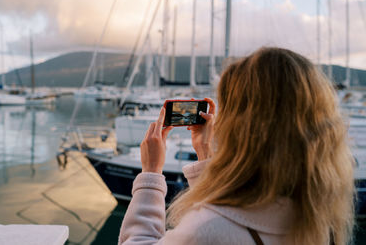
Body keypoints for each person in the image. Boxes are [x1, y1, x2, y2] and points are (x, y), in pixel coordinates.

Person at [118, 47, 355, 245]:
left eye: (229, 108)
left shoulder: (205, 231)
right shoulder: (319, 220)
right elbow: (237, 208)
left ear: (243, 126)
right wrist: (204, 155)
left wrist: (150, 173)